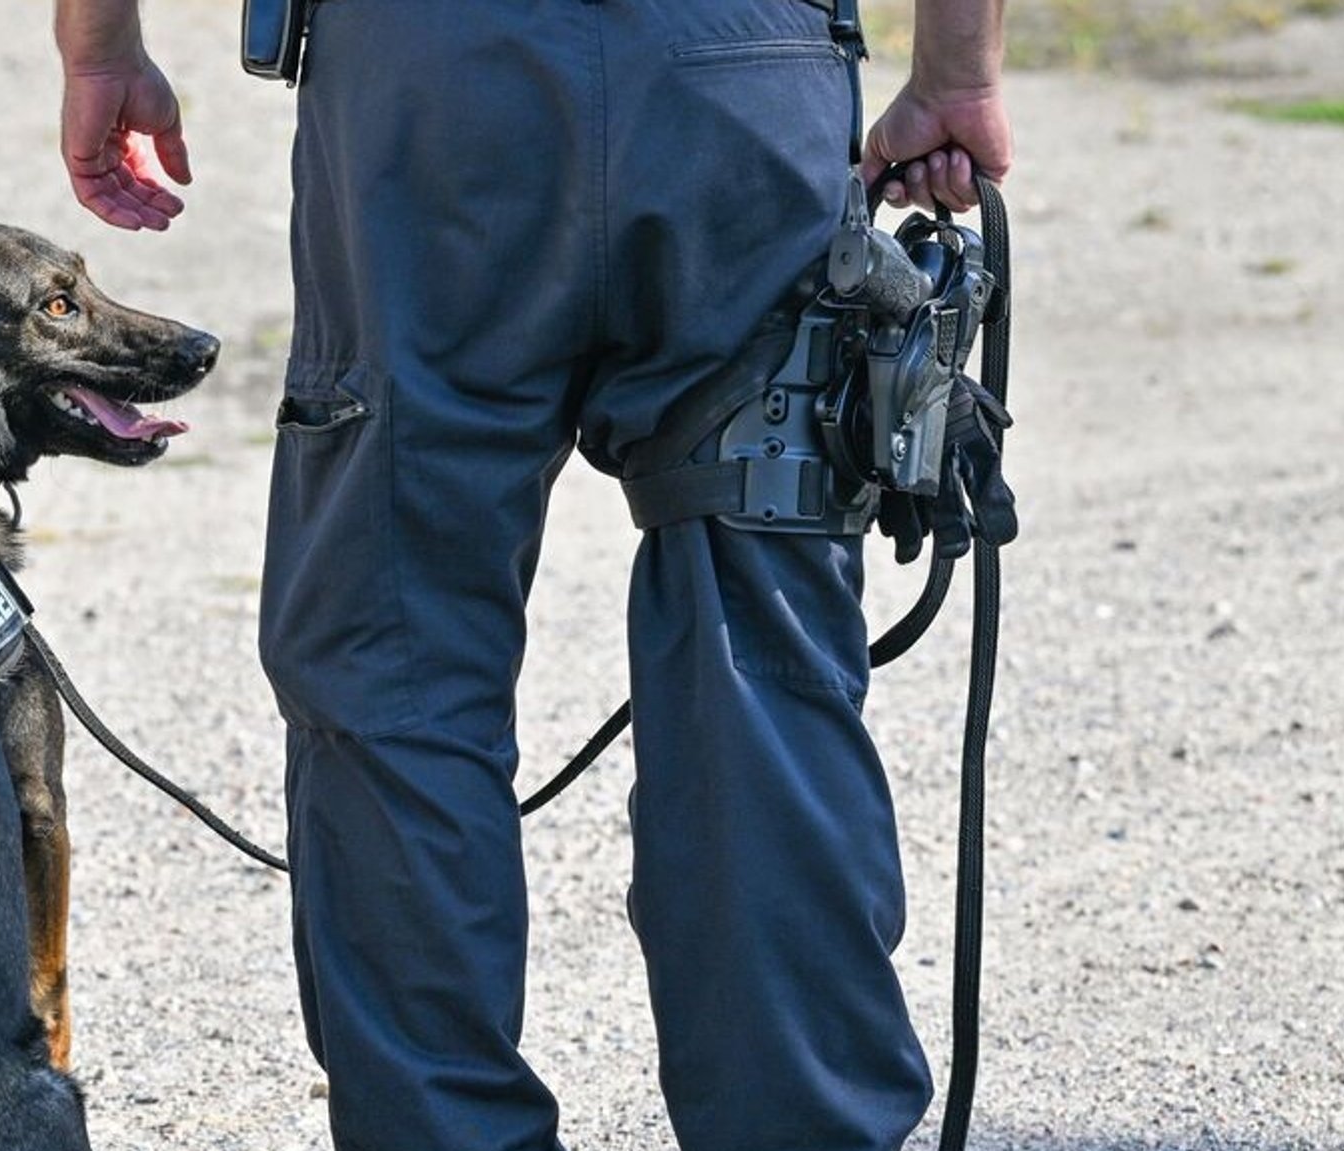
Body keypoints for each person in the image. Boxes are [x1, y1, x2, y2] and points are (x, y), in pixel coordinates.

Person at [52, 1, 1011, 1149]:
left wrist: (97, 45)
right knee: (759, 648)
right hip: (737, 76)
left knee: (394, 647)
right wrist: (958, 67)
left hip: (433, 94)